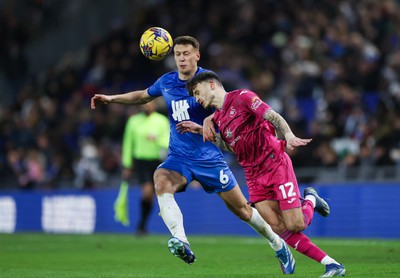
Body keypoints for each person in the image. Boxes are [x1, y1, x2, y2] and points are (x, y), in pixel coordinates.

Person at [91, 36, 295, 274]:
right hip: (179, 157)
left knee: (243, 210)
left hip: (209, 158)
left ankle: (278, 244)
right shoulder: (166, 82)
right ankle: (181, 240)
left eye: (186, 53)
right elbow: (143, 96)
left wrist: (209, 122)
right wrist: (112, 98)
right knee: (161, 179)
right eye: (177, 54)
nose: (181, 58)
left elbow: (228, 108)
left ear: (197, 55)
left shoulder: (208, 81)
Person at [178, 71, 346, 277]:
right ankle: (332, 265)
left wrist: (289, 135)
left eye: (197, 92)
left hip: (275, 165)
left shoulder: (243, 97)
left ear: (211, 84)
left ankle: (310, 198)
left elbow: (273, 115)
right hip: (253, 175)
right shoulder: (219, 118)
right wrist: (200, 130)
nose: (197, 98)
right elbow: (232, 147)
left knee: (295, 224)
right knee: (277, 227)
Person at [114, 101, 170, 236]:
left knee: (155, 194)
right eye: (144, 103)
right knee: (147, 191)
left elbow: (168, 140)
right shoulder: (133, 121)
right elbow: (128, 143)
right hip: (141, 161)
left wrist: (155, 139)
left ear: (155, 105)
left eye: (149, 103)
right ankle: (142, 224)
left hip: (158, 161)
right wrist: (127, 164)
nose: (146, 106)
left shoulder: (162, 121)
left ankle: (144, 225)